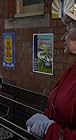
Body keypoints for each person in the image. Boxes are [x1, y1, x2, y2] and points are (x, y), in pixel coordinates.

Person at [26, 4, 76, 140]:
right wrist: (45, 118)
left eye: (68, 31)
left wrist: (51, 130)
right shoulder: (72, 70)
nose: (62, 38)